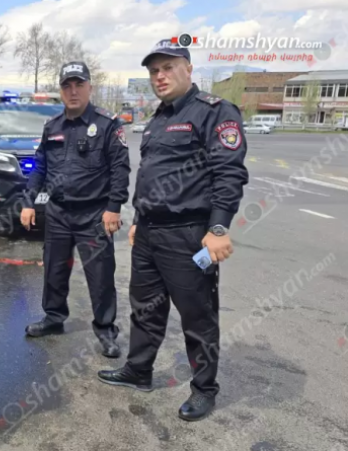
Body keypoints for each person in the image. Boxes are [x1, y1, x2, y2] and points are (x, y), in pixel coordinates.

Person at [96, 39, 249, 422]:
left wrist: (218, 227)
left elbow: (228, 173)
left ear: (188, 69)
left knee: (197, 315)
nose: (159, 76)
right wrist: (139, 220)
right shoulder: (158, 119)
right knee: (145, 308)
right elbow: (151, 176)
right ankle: (139, 370)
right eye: (154, 71)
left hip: (189, 234)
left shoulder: (214, 111)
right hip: (149, 234)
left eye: (167, 68)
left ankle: (204, 389)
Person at [20, 61, 131, 358]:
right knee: (54, 269)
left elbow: (120, 169)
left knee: (100, 274)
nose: (73, 91)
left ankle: (106, 329)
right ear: (60, 90)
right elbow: (40, 167)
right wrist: (29, 202)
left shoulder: (107, 124)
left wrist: (114, 208)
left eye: (79, 84)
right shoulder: (52, 127)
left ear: (90, 87)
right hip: (58, 212)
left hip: (94, 214)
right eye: (67, 85)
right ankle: (54, 318)